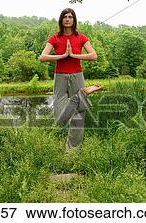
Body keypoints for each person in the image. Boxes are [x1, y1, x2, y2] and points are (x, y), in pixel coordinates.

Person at [39, 8, 101, 150]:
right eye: (65, 17)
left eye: (70, 17)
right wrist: (62, 56)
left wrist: (73, 55)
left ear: (74, 20)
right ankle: (83, 94)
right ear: (61, 20)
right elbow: (42, 57)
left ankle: (72, 151)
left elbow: (93, 55)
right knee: (59, 117)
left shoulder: (81, 38)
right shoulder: (54, 38)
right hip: (60, 76)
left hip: (77, 75)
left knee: (79, 115)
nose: (67, 19)